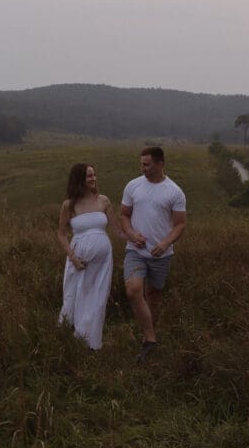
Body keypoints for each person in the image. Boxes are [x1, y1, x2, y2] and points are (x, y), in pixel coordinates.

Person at [119, 147, 187, 362]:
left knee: (154, 296)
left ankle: (148, 336)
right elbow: (124, 215)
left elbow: (180, 224)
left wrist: (165, 243)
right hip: (135, 251)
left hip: (162, 255)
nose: (143, 168)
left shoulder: (174, 192)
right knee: (133, 290)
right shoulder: (133, 186)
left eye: (146, 164)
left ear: (160, 164)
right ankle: (150, 339)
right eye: (142, 164)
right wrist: (130, 234)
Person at [56, 163, 123, 350]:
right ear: (79, 180)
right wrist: (73, 258)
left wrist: (137, 236)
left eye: (94, 175)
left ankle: (89, 341)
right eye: (89, 176)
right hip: (79, 261)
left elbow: (117, 230)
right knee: (75, 296)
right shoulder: (69, 205)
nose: (93, 179)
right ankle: (70, 337)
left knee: (97, 297)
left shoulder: (103, 201)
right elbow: (61, 234)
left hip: (102, 262)